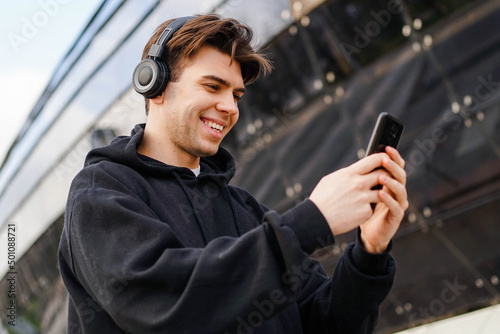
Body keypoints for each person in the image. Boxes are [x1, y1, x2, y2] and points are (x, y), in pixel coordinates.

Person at [58, 14, 408, 334]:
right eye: (213, 87)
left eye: (236, 94)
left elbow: (327, 324)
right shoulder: (101, 192)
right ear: (155, 84)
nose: (229, 107)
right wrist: (313, 221)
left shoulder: (245, 210)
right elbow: (169, 307)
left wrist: (369, 252)